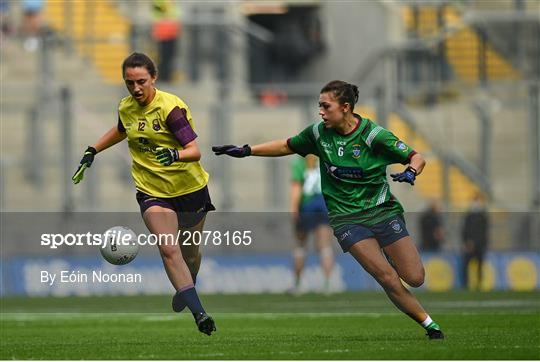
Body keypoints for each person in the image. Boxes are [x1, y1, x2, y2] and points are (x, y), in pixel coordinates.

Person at [213, 80, 444, 339]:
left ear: (345, 107)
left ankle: (391, 255)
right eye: (319, 106)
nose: (321, 112)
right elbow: (287, 145)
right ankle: (429, 325)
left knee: (414, 277)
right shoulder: (318, 134)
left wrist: (412, 171)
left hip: (382, 211)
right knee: (387, 278)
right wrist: (246, 151)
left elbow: (417, 156)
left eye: (326, 106)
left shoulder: (373, 135)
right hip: (346, 219)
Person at [72, 52, 216, 336]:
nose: (135, 89)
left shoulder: (170, 109)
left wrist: (173, 154)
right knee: (168, 249)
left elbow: (194, 151)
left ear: (154, 78)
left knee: (189, 255)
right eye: (129, 83)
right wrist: (93, 150)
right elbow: (121, 130)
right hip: (152, 191)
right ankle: (200, 314)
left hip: (190, 190)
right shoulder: (126, 107)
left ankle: (190, 283)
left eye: (141, 82)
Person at [290, 154, 334, 295]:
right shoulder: (326, 158)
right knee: (325, 246)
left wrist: (294, 208)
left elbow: (297, 186)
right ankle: (327, 284)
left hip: (307, 204)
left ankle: (298, 285)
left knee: (300, 245)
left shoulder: (299, 162)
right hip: (324, 203)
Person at [461, 193, 489, 291]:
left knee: (480, 265)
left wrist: (483, 243)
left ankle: (479, 284)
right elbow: (465, 230)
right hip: (470, 245)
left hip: (480, 245)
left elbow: (484, 232)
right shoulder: (469, 216)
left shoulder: (483, 216)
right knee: (466, 264)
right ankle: (465, 284)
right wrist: (467, 242)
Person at [152, 0, 181, 82]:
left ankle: (167, 76)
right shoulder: (159, 2)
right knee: (163, 57)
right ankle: (162, 77)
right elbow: (158, 14)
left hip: (172, 34)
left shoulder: (172, 2)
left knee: (169, 57)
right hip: (162, 35)